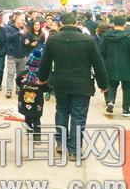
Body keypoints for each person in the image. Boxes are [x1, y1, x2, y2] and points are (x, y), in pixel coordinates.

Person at [39, 13, 108, 161]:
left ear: (61, 24)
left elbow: (45, 61)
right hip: (82, 84)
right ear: (76, 23)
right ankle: (74, 150)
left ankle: (61, 143)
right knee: (78, 116)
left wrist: (42, 78)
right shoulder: (88, 40)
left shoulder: (53, 39)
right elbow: (98, 64)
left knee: (61, 111)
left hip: (60, 82)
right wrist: (103, 84)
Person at [16, 49, 49, 142]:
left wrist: (25, 86)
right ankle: (37, 136)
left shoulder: (23, 74)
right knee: (36, 118)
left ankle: (29, 130)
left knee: (27, 116)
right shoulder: (41, 76)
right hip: (37, 101)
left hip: (25, 100)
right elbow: (46, 88)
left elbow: (18, 82)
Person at [100, 16, 130, 116]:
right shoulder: (128, 36)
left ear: (113, 25)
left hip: (110, 65)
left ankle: (110, 101)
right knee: (127, 87)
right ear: (124, 24)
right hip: (127, 66)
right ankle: (126, 110)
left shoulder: (106, 37)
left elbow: (102, 52)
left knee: (112, 85)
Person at [5, 14, 28, 99]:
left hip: (22, 55)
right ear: (16, 20)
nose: (23, 21)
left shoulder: (25, 29)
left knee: (20, 74)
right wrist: (19, 33)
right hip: (12, 55)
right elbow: (8, 38)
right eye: (21, 19)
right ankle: (9, 91)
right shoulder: (9, 28)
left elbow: (27, 39)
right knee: (11, 73)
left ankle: (19, 89)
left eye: (23, 20)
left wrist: (27, 42)